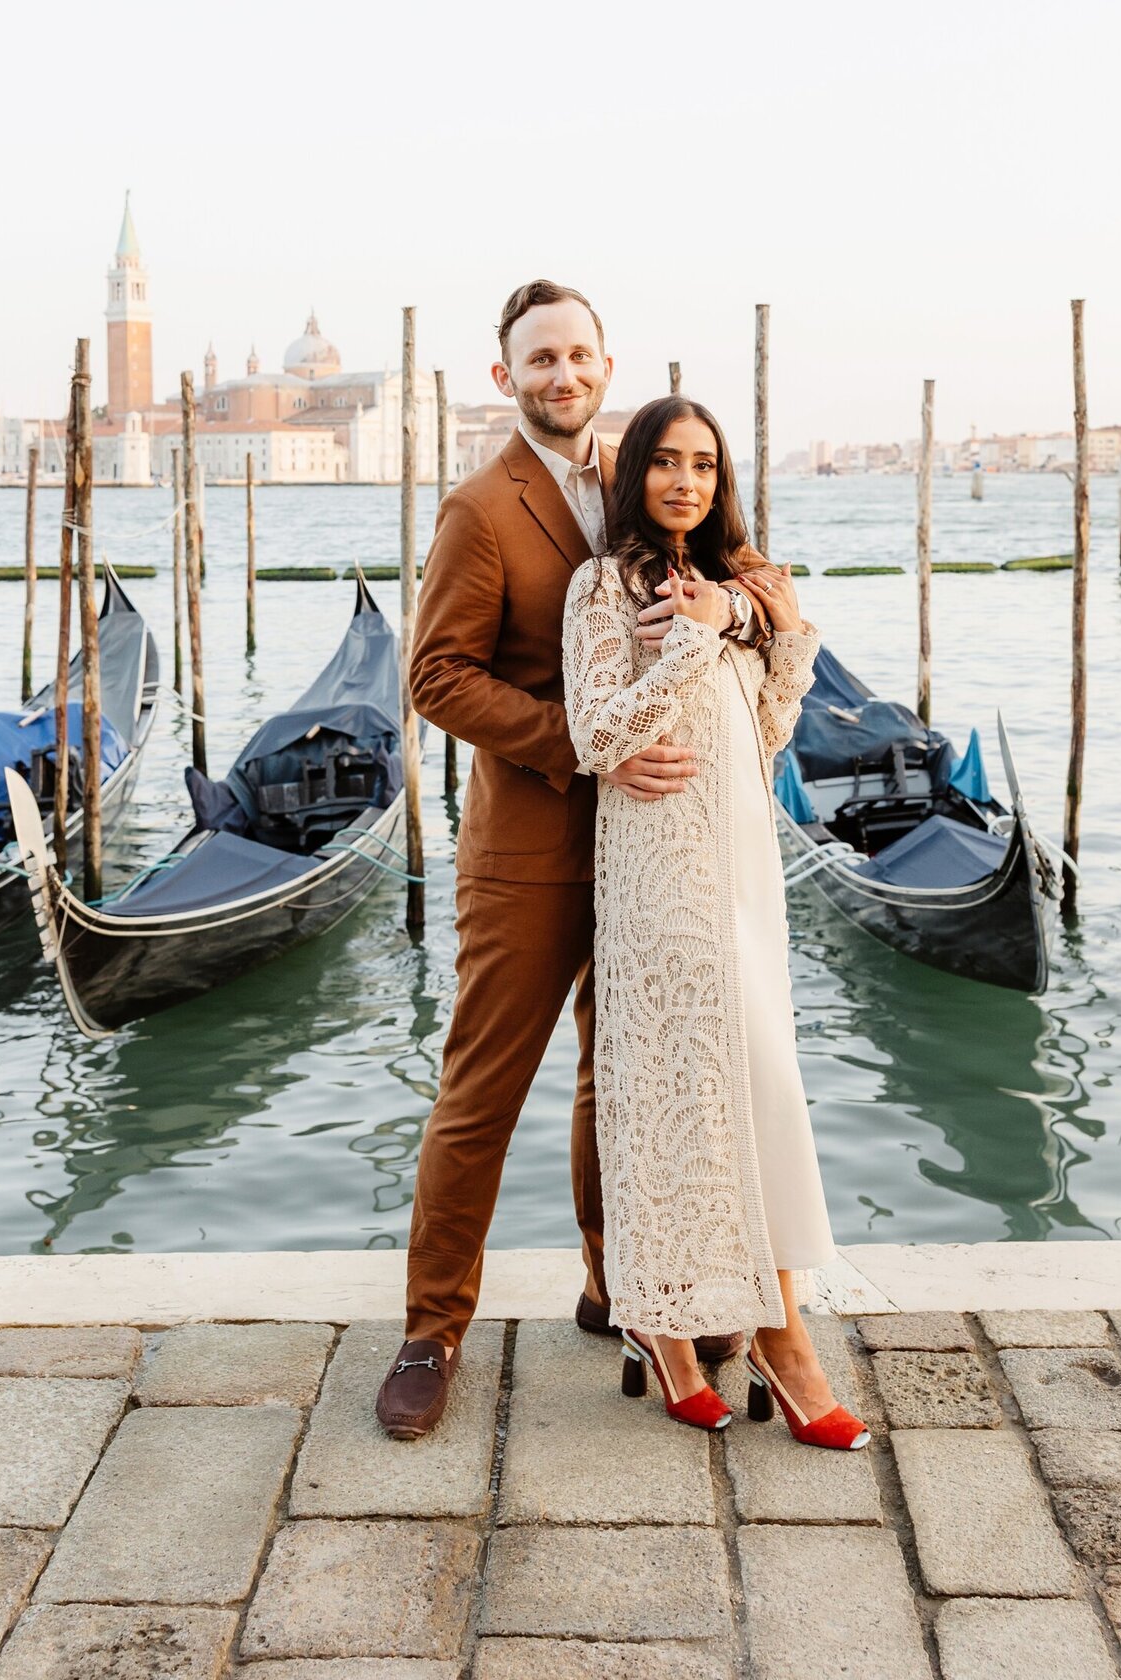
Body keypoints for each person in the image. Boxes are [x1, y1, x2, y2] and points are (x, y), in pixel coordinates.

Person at [378, 282, 758, 1440]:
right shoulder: (478, 510)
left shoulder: (647, 476)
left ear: (606, 364)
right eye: (539, 359)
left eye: (579, 354)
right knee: (482, 1093)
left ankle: (621, 1290)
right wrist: (581, 750)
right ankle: (431, 1330)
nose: (562, 373)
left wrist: (735, 618)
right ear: (506, 378)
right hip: (533, 846)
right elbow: (435, 678)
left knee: (626, 1081)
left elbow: (750, 588)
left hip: (658, 850)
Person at [561, 395, 870, 1448]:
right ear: (634, 474)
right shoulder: (600, 586)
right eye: (664, 463)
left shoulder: (736, 583)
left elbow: (771, 731)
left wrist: (771, 628)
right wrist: (694, 641)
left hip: (744, 865)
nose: (685, 481)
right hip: (658, 874)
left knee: (761, 1089)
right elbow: (599, 732)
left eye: (703, 463)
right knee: (676, 1097)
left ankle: (723, 1328)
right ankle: (725, 1337)